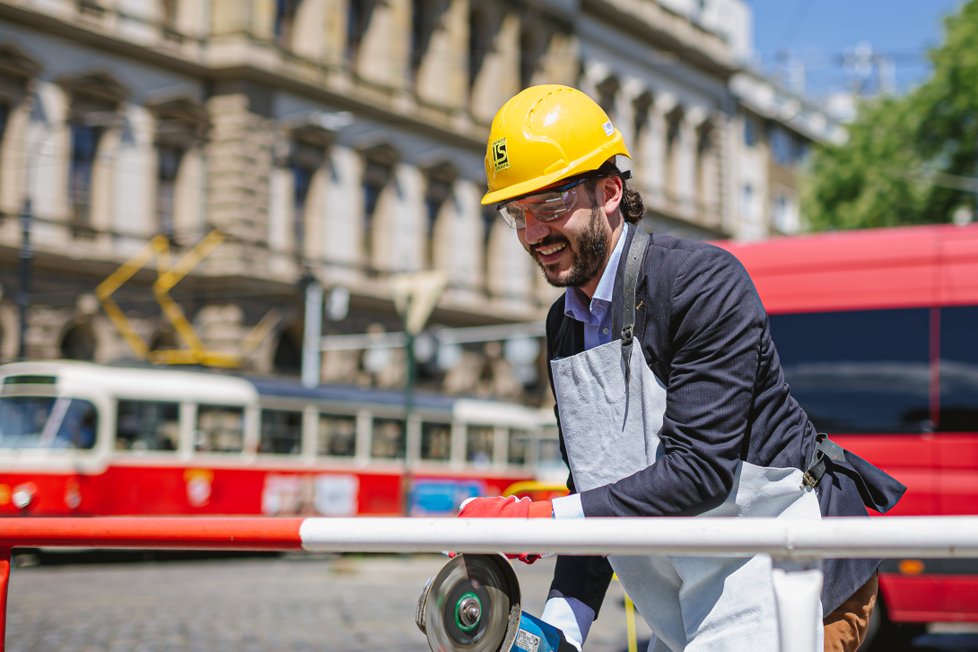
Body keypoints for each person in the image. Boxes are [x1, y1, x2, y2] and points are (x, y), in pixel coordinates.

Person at [457, 84, 906, 652]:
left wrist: (540, 521)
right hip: (689, 594)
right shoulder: (562, 326)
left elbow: (701, 470)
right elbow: (597, 492)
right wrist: (559, 632)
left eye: (549, 206)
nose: (532, 234)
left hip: (786, 565)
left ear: (610, 191)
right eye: (515, 213)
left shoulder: (701, 282)